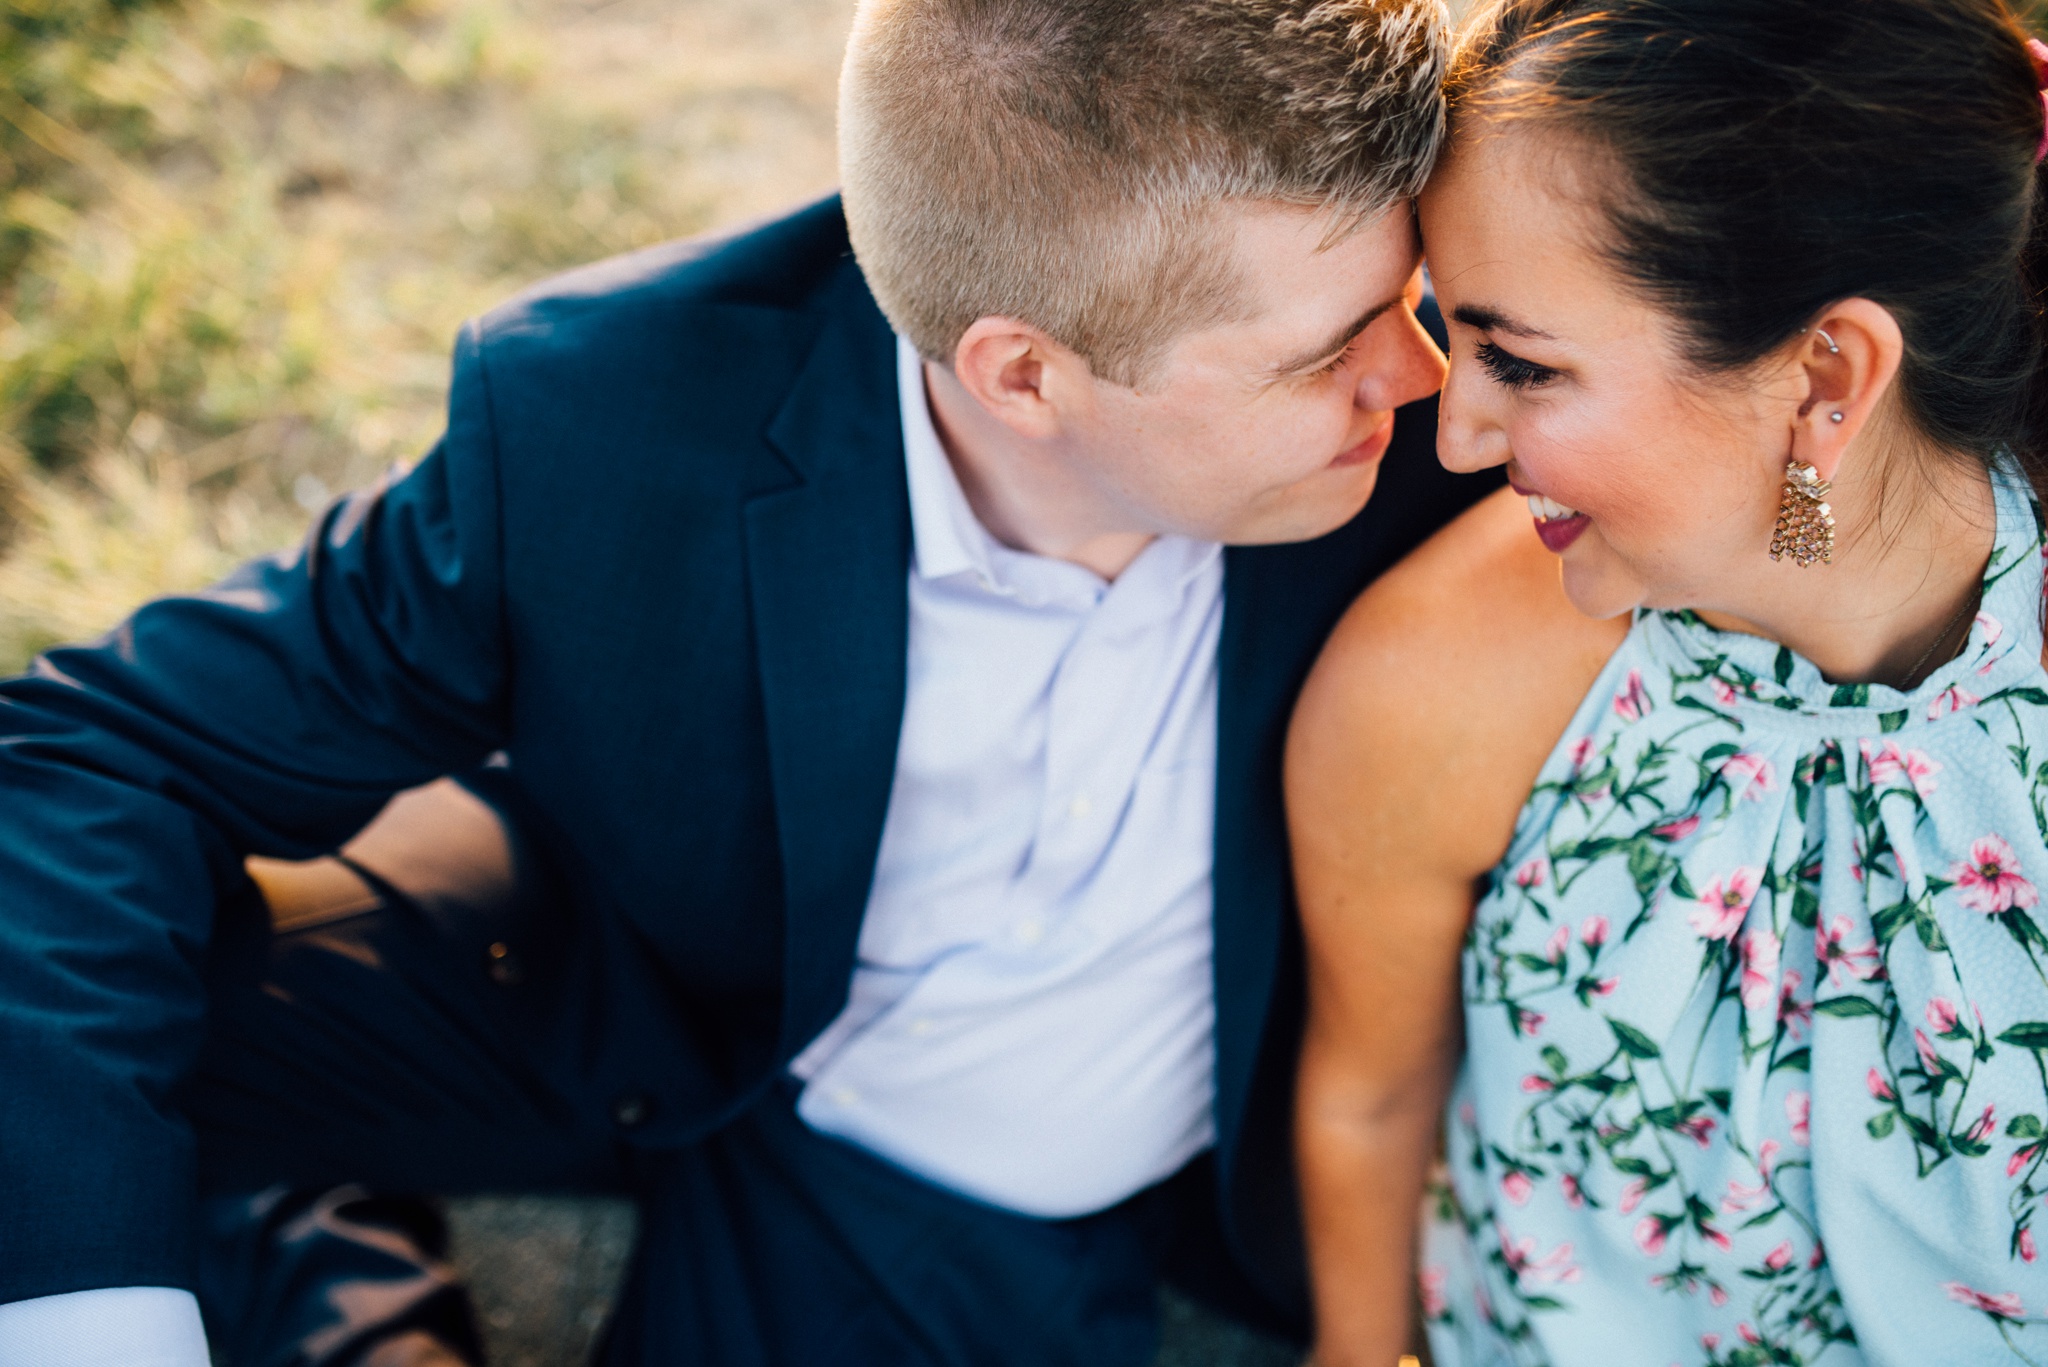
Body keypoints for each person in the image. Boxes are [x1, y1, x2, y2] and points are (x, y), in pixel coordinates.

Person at [0, 1, 1495, 1364]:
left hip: (956, 1184)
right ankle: (292, 1249)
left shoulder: (1466, 437)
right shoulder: (604, 419)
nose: (1432, 381)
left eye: (1410, 296)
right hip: (618, 965)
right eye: (1332, 351)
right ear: (1023, 375)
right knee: (84, 1058)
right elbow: (94, 755)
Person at [1289, 0, 2048, 1362]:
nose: (1455, 436)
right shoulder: (1439, 680)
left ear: (1826, 375)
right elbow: (1369, 1098)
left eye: (1521, 361)